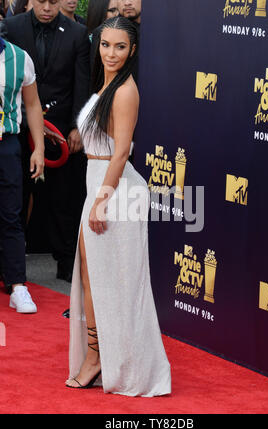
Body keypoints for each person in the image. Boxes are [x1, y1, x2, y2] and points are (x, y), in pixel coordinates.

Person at [66, 17, 171, 397]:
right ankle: (100, 356)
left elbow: (122, 151)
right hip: (100, 185)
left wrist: (102, 201)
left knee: (114, 284)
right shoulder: (108, 84)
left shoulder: (126, 91)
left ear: (132, 50)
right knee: (96, 281)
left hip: (114, 192)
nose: (111, 53)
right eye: (106, 44)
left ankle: (101, 361)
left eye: (120, 47)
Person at [2, 0, 90, 282]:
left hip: (62, 130)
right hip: (19, 129)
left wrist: (78, 126)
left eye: (54, 1)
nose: (48, 7)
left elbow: (82, 82)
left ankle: (66, 263)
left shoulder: (77, 33)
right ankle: (11, 269)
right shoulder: (12, 28)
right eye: (42, 1)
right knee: (14, 201)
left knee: (64, 200)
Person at [0, 36, 44, 313]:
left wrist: (39, 148)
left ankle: (18, 286)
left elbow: (33, 104)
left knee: (10, 214)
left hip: (7, 145)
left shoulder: (20, 57)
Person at [88, 0, 119, 68]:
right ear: (99, 11)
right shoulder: (86, 42)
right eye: (112, 10)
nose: (117, 14)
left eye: (118, 10)